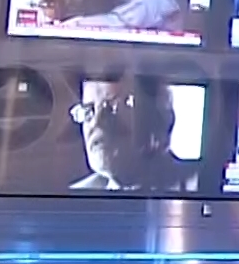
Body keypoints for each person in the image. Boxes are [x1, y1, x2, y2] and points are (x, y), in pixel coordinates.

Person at [64, 78, 198, 193]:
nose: (96, 123)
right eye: (88, 111)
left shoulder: (201, 185)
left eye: (113, 107)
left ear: (161, 118)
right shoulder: (75, 200)